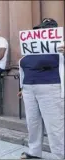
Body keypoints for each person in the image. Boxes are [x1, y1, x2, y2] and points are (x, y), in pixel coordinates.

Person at [18, 18, 64, 159]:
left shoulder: (60, 47)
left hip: (50, 88)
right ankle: (34, 152)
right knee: (33, 123)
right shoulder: (32, 48)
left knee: (55, 125)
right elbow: (23, 68)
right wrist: (21, 87)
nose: (41, 31)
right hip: (28, 88)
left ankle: (60, 155)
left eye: (45, 28)